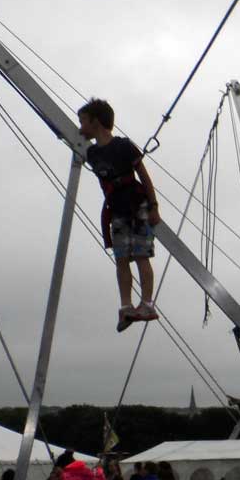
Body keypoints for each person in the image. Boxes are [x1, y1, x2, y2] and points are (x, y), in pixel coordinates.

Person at [78, 98, 161, 332]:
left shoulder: (124, 146)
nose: (80, 127)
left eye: (83, 121)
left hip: (137, 207)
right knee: (122, 259)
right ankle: (126, 305)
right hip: (116, 211)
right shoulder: (92, 153)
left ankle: (146, 303)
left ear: (95, 122)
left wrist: (154, 206)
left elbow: (143, 176)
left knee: (142, 255)